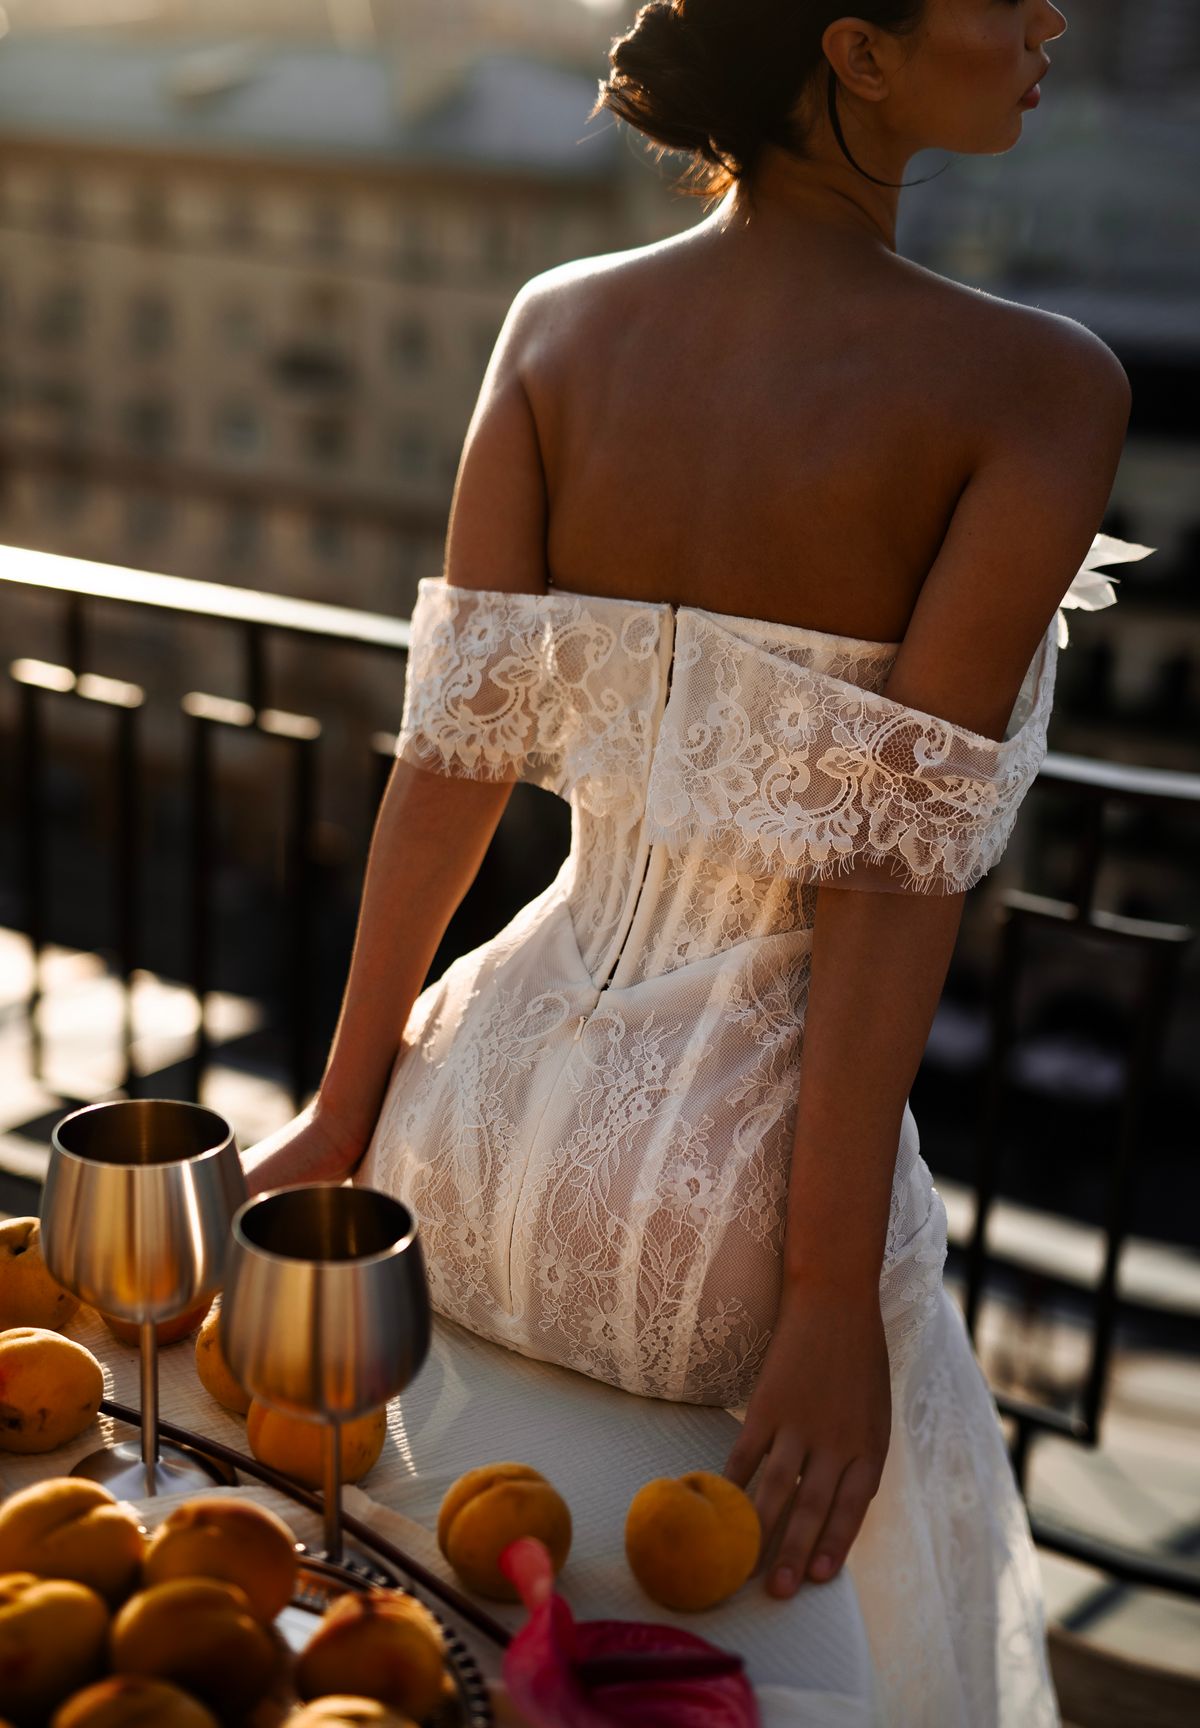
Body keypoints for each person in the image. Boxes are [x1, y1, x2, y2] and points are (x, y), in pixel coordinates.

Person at [245, 3, 1148, 1721]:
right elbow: (893, 871)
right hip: (747, 1214)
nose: (1052, 17)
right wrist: (827, 1298)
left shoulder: (560, 324)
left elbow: (447, 770)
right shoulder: (1043, 385)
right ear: (857, 50)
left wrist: (342, 1109)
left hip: (468, 1131)